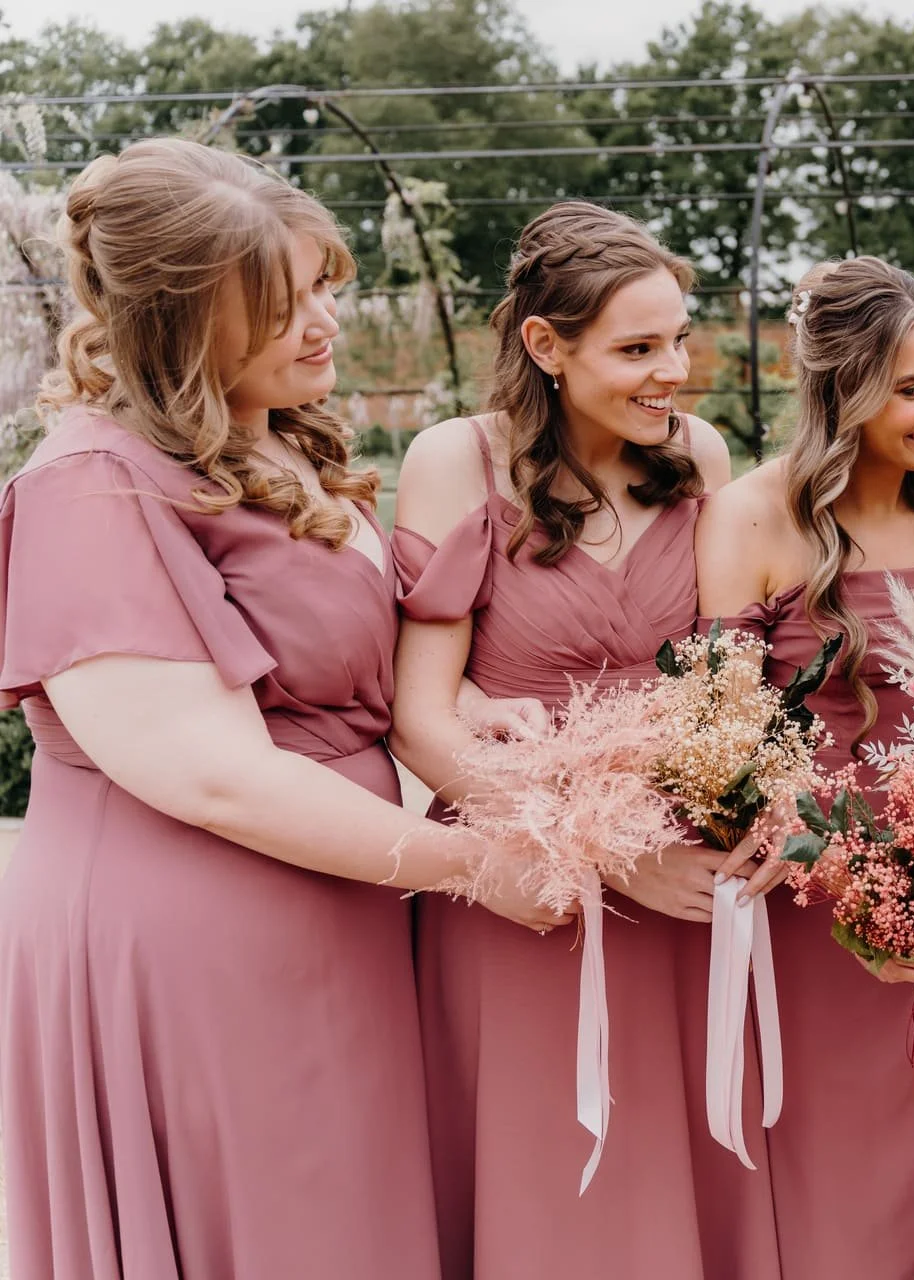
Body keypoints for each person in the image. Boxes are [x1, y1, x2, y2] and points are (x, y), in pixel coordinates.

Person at [0, 138, 555, 1280]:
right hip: (201, 933)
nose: (324, 322)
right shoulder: (91, 484)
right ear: (180, 320)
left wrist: (460, 704)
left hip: (336, 899)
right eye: (281, 302)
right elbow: (214, 773)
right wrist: (474, 865)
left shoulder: (274, 435)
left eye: (324, 288)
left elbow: (335, 658)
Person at [386, 201, 769, 1280]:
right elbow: (421, 716)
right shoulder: (456, 460)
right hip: (526, 885)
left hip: (687, 877)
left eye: (681, 339)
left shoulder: (698, 453)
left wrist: (733, 812)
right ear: (546, 346)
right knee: (548, 1184)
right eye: (638, 348)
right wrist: (598, 853)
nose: (674, 372)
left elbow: (732, 682)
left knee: (683, 1170)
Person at [695, 255, 914, 1280]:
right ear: (844, 390)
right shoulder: (754, 513)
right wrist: (852, 888)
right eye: (913, 387)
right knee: (827, 1164)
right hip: (815, 893)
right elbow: (717, 733)